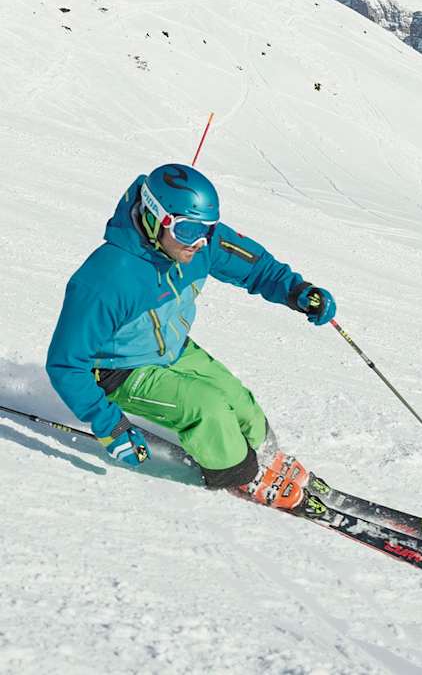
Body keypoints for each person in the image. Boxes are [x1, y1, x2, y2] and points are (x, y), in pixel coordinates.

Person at [46, 163, 336, 511]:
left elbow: (256, 267)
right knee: (206, 407)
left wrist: (297, 291)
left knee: (237, 399)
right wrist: (110, 425)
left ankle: (267, 457)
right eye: (187, 231)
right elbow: (65, 363)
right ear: (156, 218)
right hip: (119, 370)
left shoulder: (199, 243)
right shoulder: (108, 278)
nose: (199, 242)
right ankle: (240, 474)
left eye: (206, 229)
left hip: (171, 348)